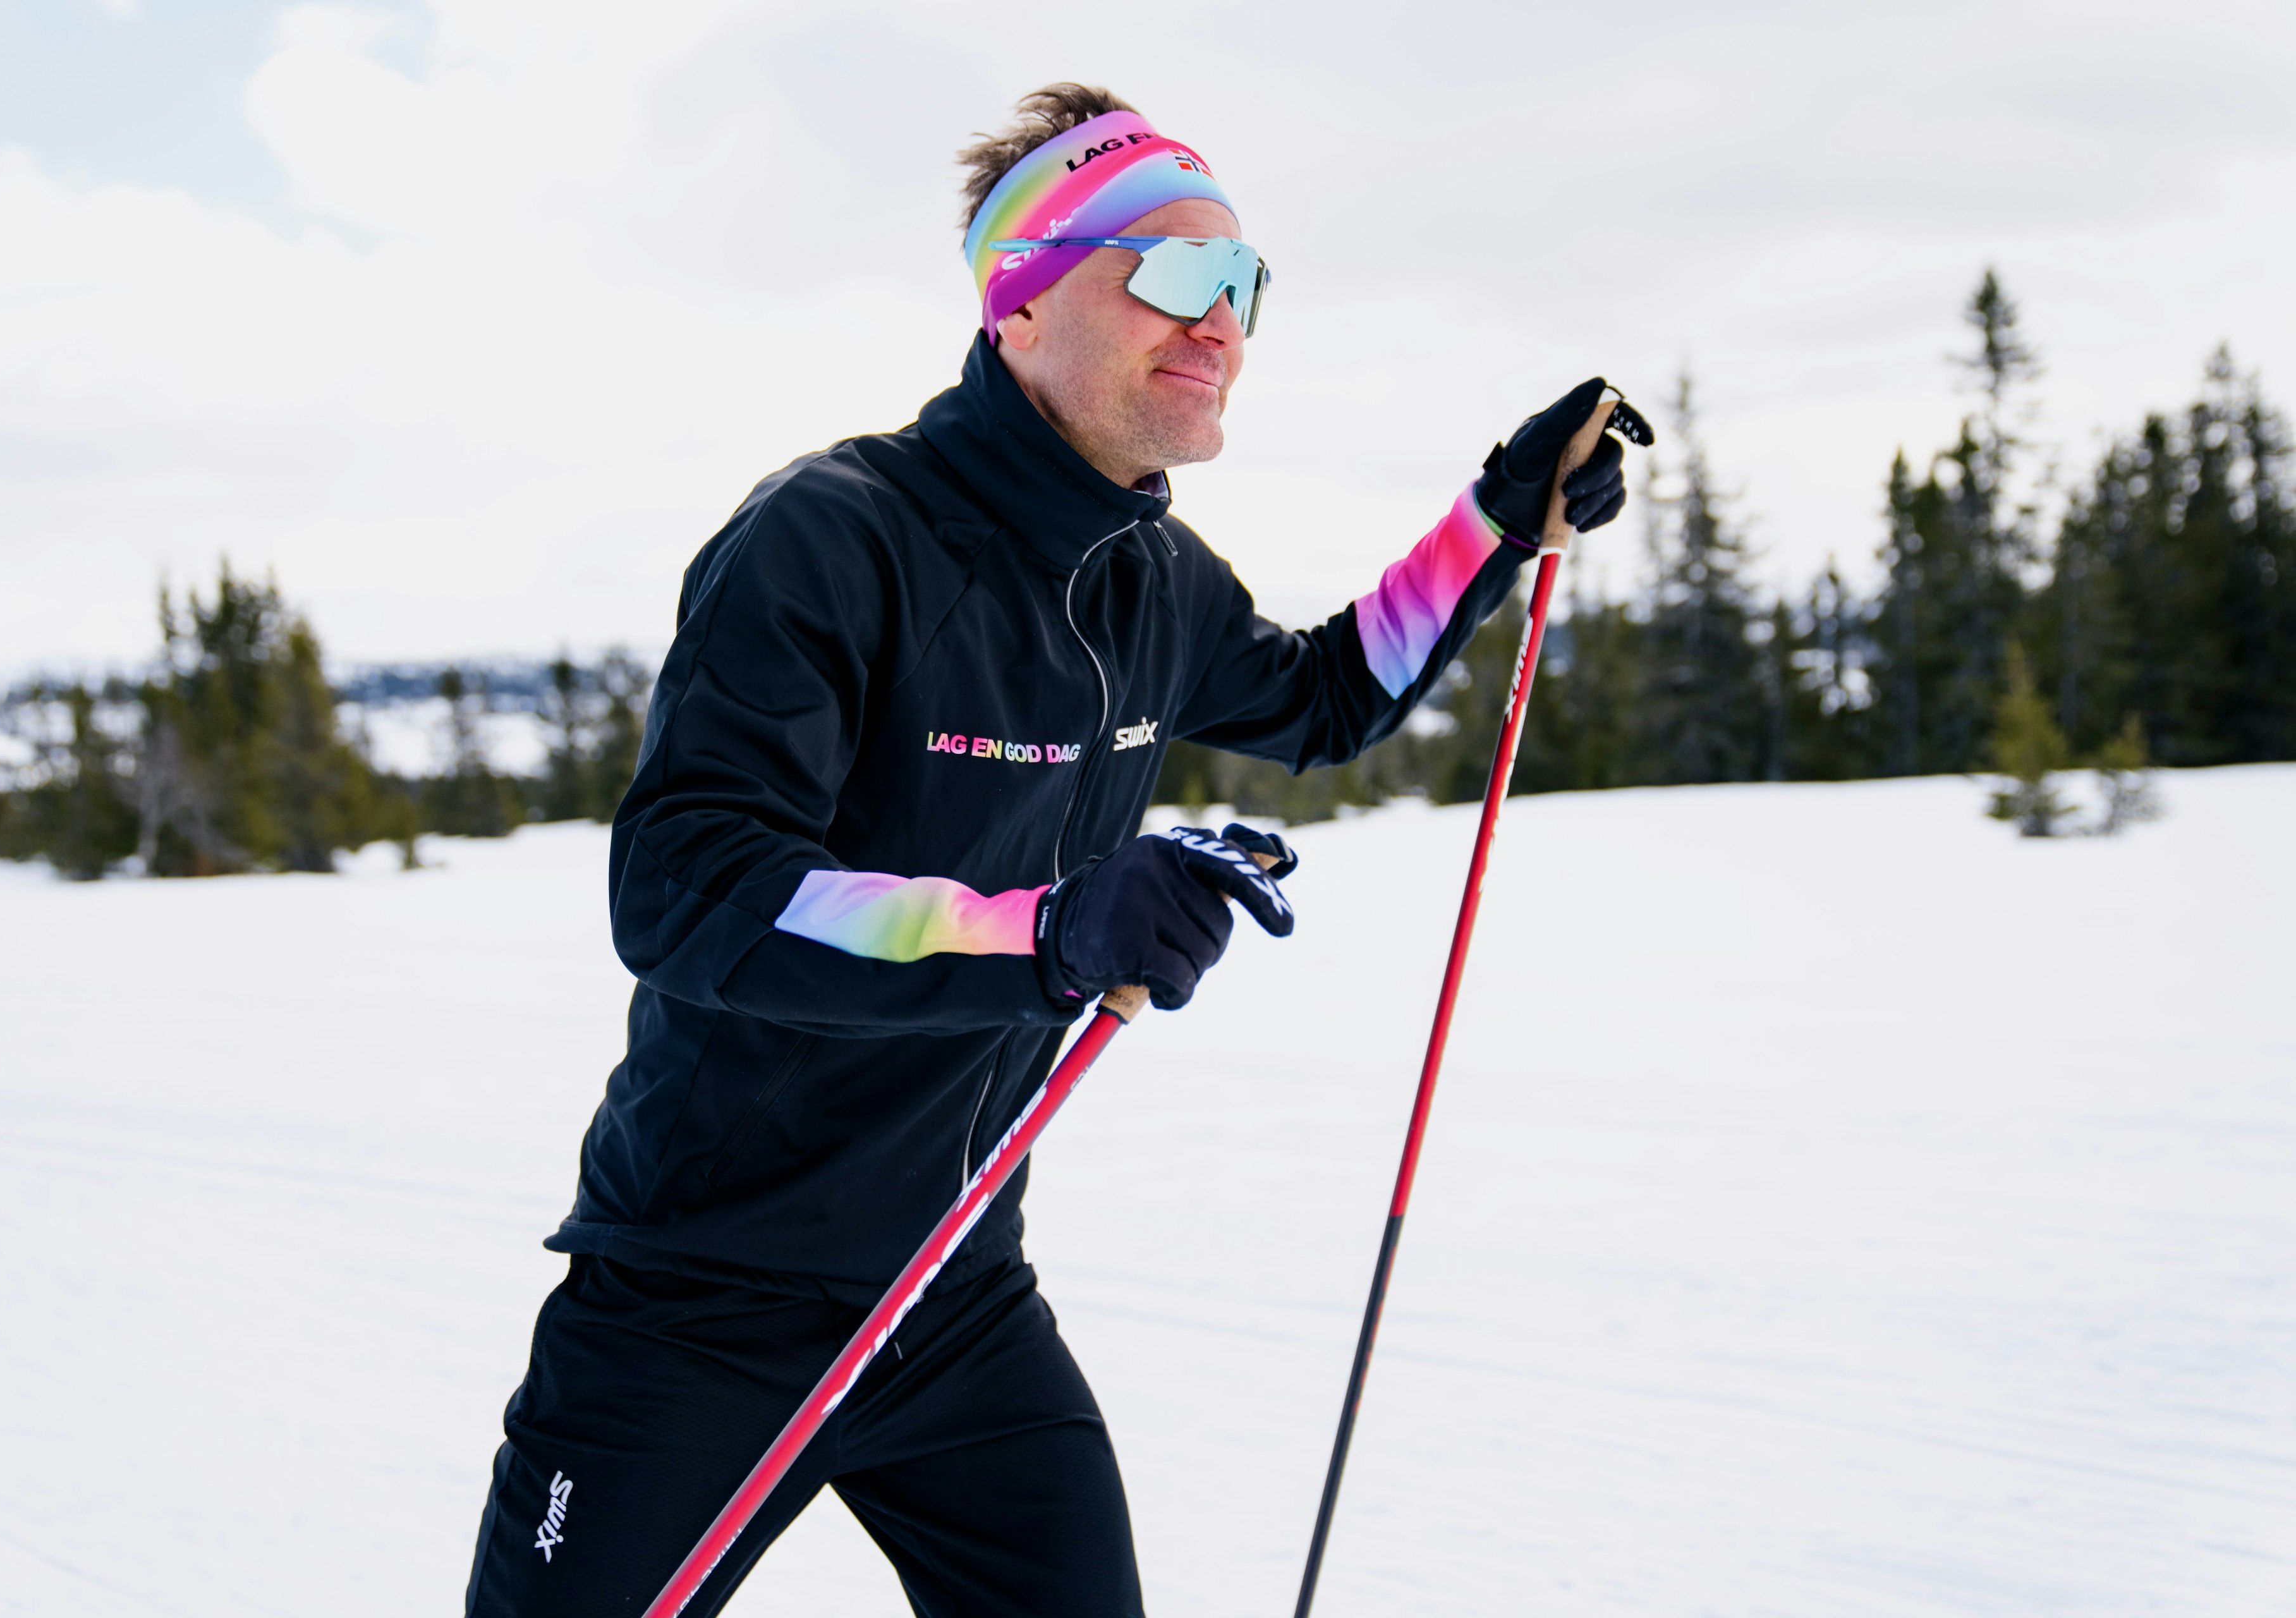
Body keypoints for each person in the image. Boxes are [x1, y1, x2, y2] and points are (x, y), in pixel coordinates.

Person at [465, 83, 1639, 1617]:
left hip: (954, 1295)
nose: (1222, 320)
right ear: (1021, 301)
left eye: (1245, 284)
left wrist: (1496, 520)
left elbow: (1325, 694)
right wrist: (1043, 932)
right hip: (701, 1301)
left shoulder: (1151, 578)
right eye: (1173, 273)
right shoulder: (837, 536)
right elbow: (691, 891)